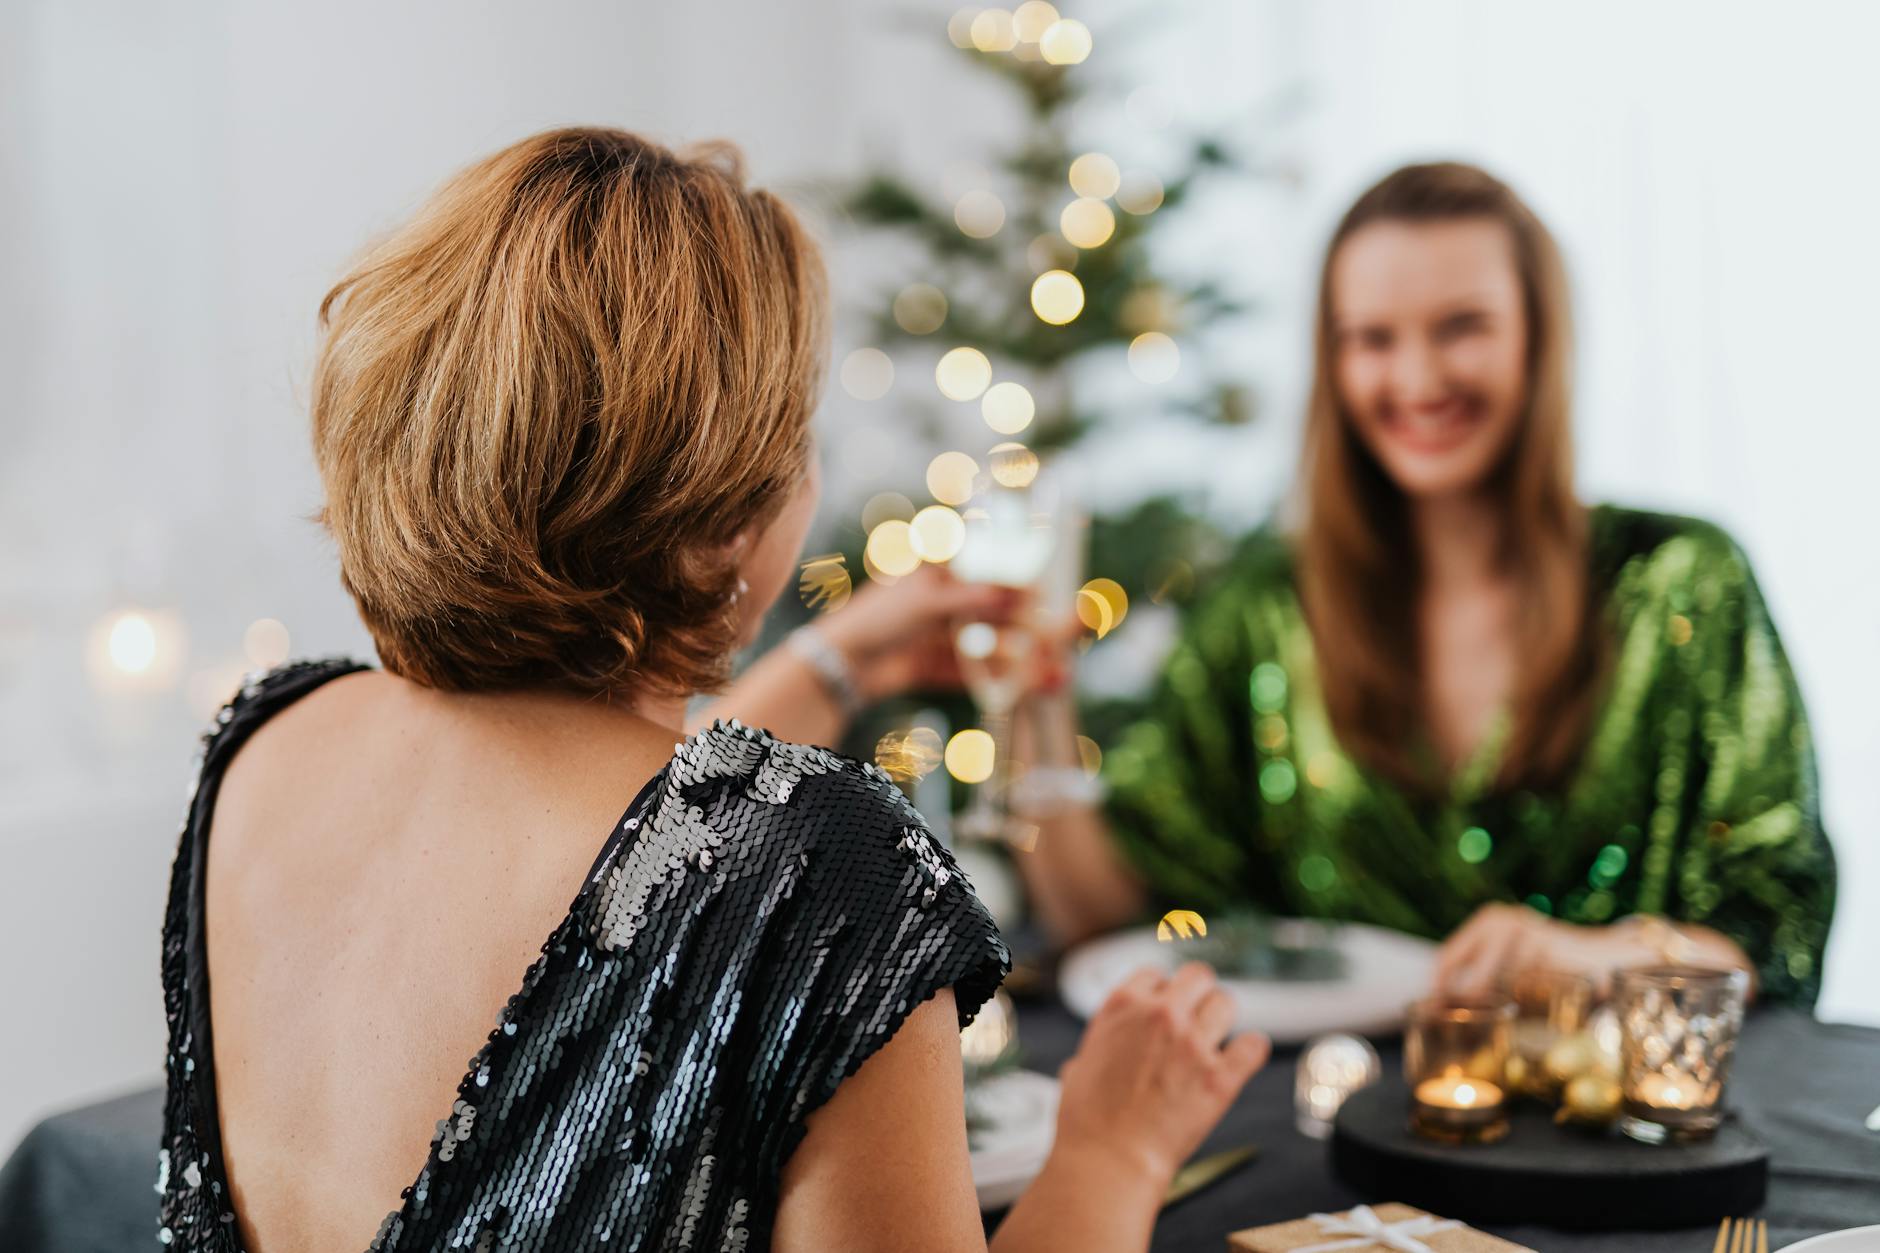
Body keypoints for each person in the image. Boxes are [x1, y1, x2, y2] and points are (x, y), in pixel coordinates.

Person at [156, 128, 1270, 1253]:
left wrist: (847, 660)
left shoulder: (265, 739)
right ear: (729, 505)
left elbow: (644, 863)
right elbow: (708, 870)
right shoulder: (836, 877)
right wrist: (1111, 1152)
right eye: (797, 435)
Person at [1009, 162, 1835, 1005]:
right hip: (1322, 1127)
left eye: (1461, 327)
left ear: (1538, 338)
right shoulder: (1264, 608)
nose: (1416, 379)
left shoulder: (1683, 582)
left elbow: (1774, 932)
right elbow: (1108, 915)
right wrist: (1033, 708)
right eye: (1373, 338)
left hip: (1608, 1122)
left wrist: (1584, 957)